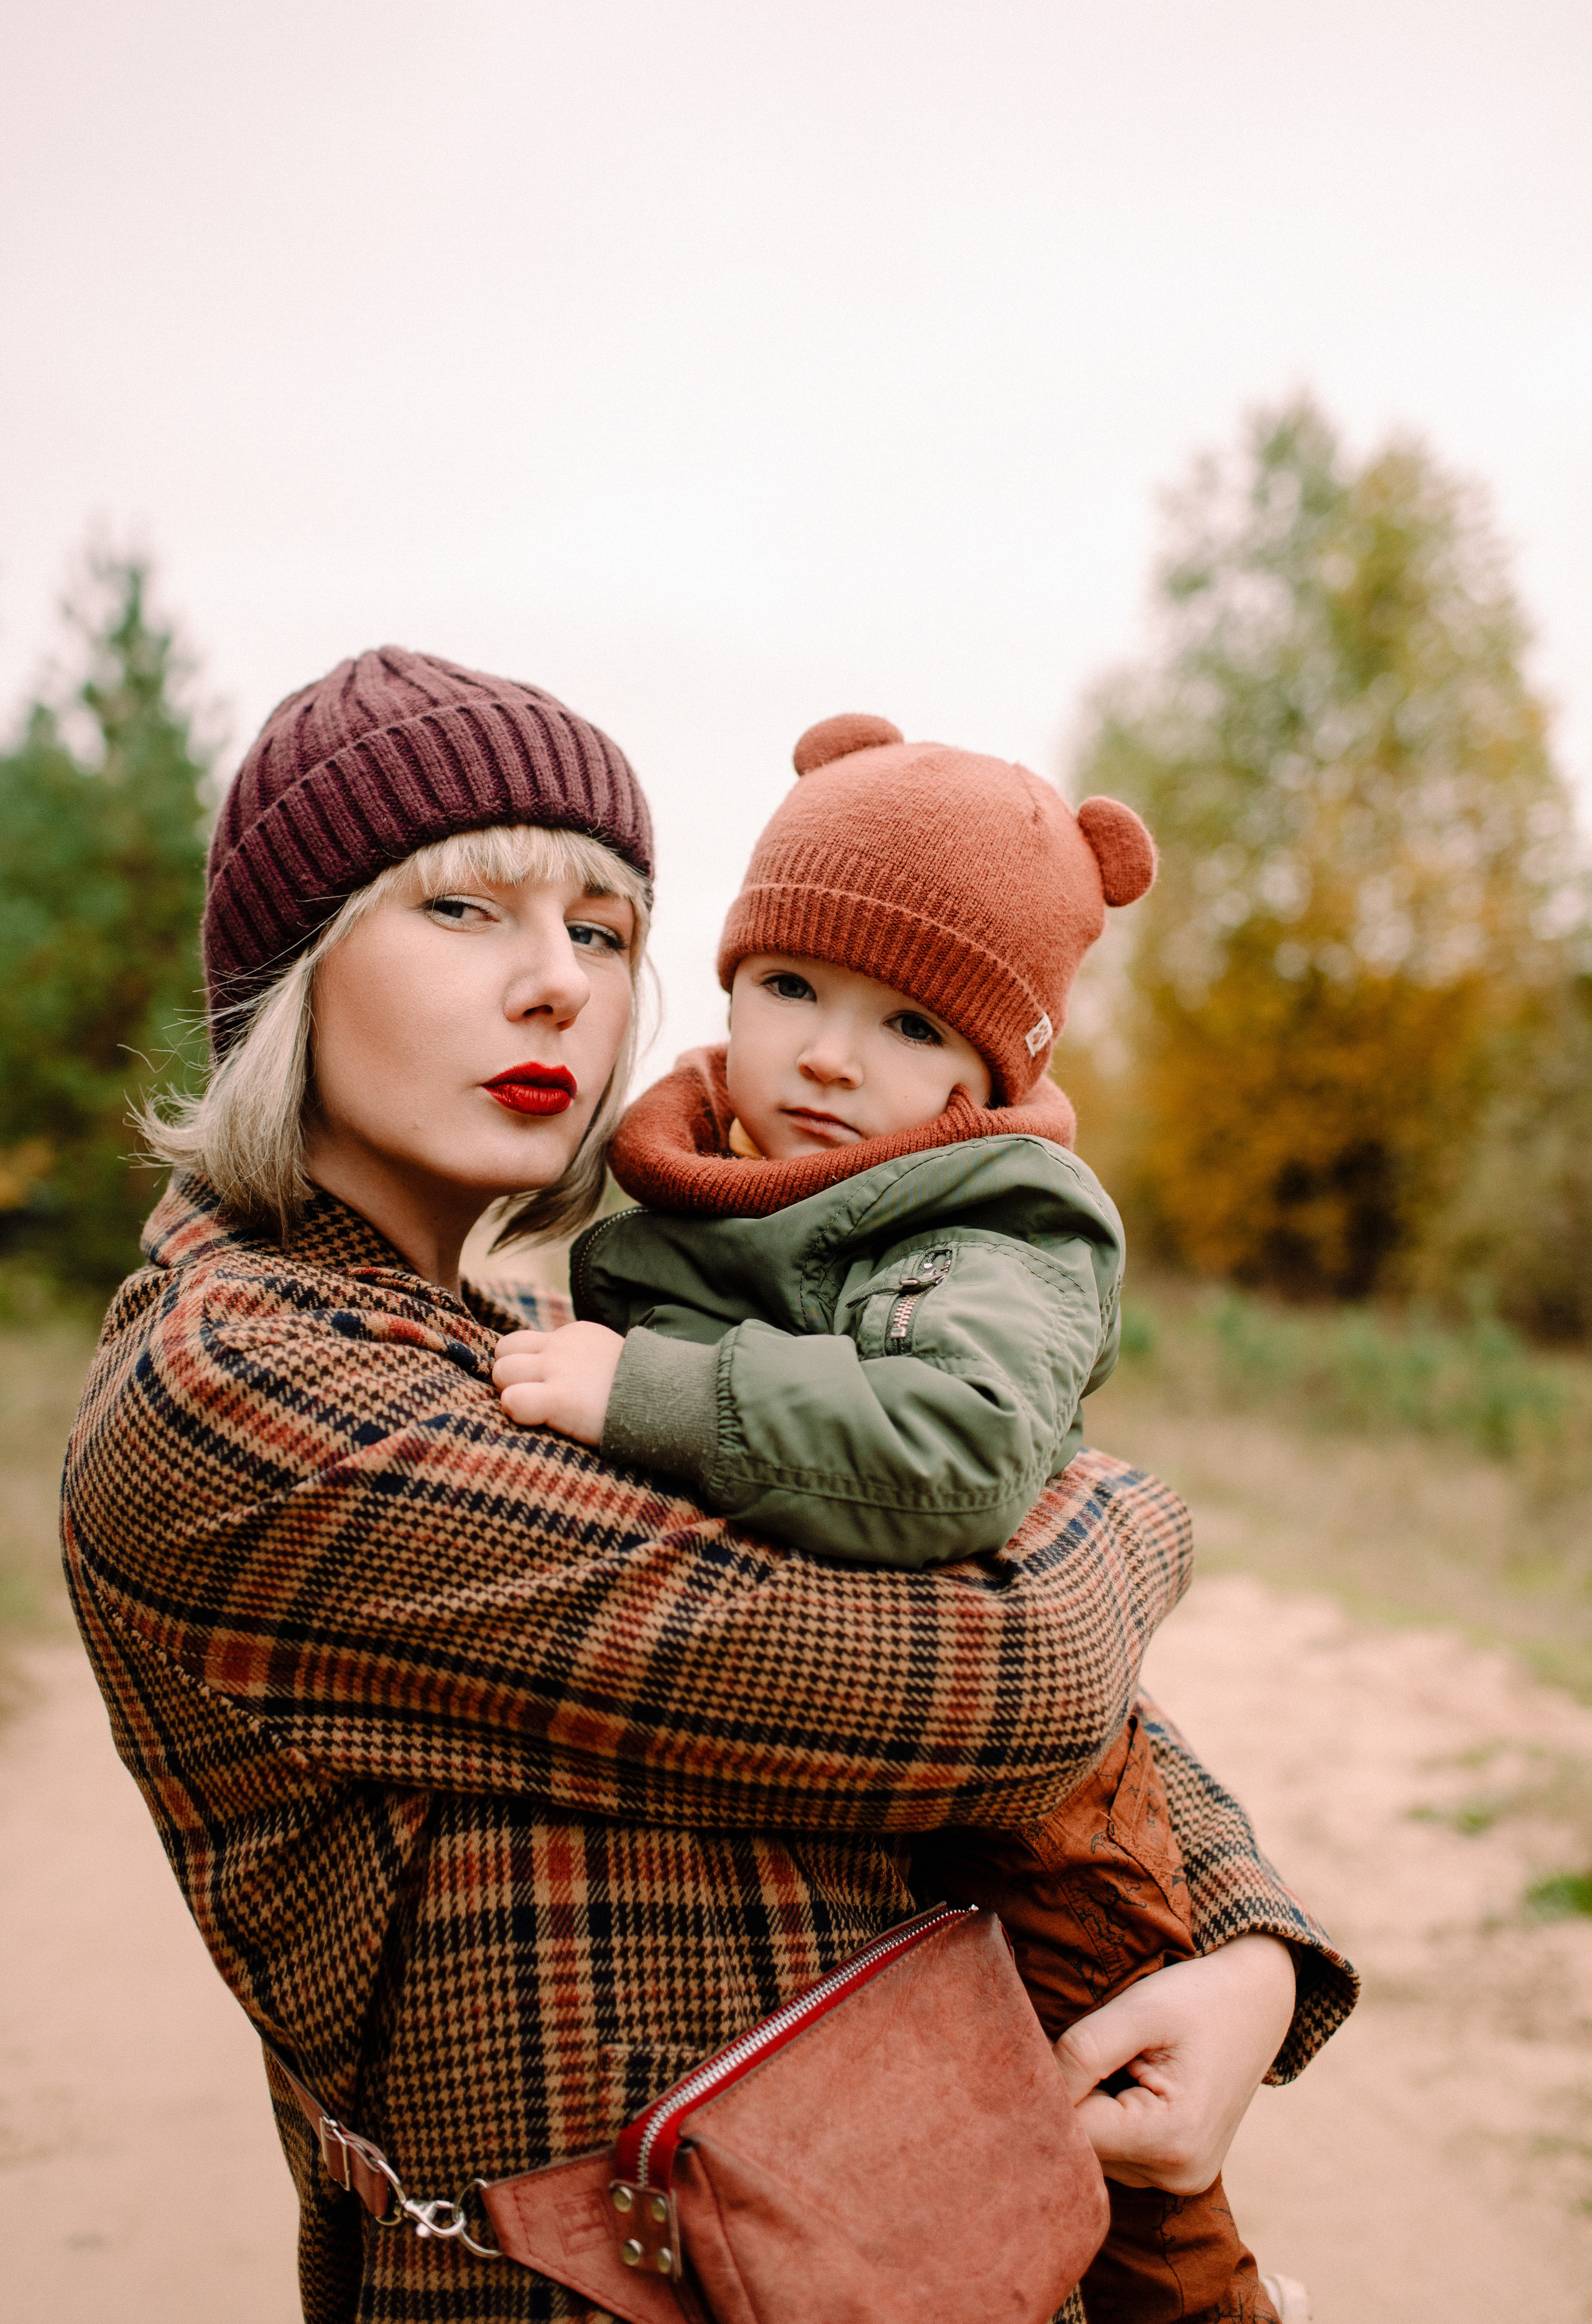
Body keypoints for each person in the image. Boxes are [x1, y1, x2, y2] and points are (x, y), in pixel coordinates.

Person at [62, 650, 1354, 2324]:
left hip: (898, 2241)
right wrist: (1128, 1509)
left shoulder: (534, 1322)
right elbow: (999, 1674)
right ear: (291, 967)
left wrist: (1249, 1943)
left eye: (602, 929)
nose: (560, 989)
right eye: (465, 912)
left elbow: (976, 1622)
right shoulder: (249, 1397)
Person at [490, 712, 1347, 2323]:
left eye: (904, 1021)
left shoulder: (987, 1229)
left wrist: (646, 1395)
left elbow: (954, 1443)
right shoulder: (679, 1195)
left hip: (1043, 1804)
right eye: (793, 985)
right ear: (729, 988)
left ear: (982, 1070)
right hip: (824, 1793)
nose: (829, 1053)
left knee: (1124, 2175)